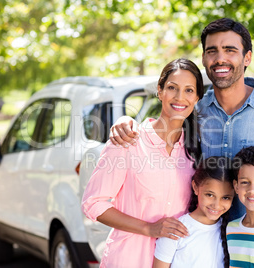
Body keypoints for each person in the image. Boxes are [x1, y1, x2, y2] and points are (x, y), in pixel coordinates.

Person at [108, 17, 254, 251]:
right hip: (207, 246)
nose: (220, 58)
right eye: (212, 51)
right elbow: (159, 133)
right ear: (203, 58)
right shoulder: (194, 111)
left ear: (247, 57)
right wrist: (126, 121)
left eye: (230, 50)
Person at [81, 58, 205, 268]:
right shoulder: (128, 140)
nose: (180, 97)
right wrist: (149, 228)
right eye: (172, 88)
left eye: (189, 90)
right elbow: (93, 203)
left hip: (176, 260)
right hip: (128, 259)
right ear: (160, 91)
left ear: (197, 97)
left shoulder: (196, 150)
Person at [153, 156, 235, 268]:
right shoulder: (175, 230)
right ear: (195, 188)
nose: (216, 205)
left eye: (225, 197)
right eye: (209, 195)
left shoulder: (230, 232)